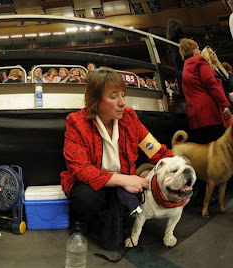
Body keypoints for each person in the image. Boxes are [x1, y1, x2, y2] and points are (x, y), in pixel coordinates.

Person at [60, 67, 173, 250]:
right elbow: (80, 169)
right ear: (95, 101)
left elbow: (154, 149)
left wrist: (181, 166)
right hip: (95, 185)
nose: (122, 103)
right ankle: (85, 222)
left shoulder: (129, 117)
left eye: (123, 94)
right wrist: (124, 180)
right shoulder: (76, 122)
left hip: (123, 183)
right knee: (85, 197)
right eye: (114, 97)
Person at [179, 38, 231, 143]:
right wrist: (225, 104)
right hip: (209, 115)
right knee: (218, 150)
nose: (199, 50)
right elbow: (211, 84)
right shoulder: (200, 61)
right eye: (197, 48)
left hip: (195, 117)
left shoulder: (186, 66)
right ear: (193, 50)